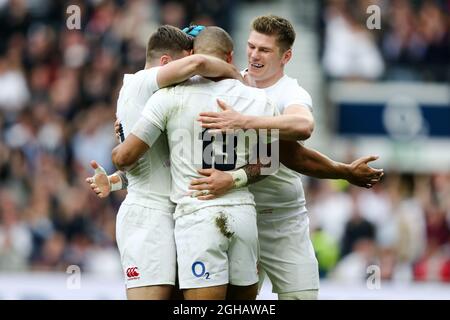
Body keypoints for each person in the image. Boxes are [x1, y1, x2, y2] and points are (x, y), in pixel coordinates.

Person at [192, 15, 384, 300]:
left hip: (284, 218)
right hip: (239, 214)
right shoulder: (229, 86)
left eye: (265, 50)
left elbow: (302, 128)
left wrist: (244, 121)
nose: (255, 55)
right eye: (252, 46)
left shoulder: (290, 92)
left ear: (287, 56)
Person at [111, 26, 280, 300]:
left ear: (192, 57)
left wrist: (121, 139)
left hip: (197, 216)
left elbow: (126, 157)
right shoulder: (259, 99)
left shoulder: (168, 97)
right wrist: (234, 178)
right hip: (243, 214)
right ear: (230, 56)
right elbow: (270, 162)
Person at [86, 25, 242, 300]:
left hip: (175, 214)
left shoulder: (161, 102)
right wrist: (237, 76)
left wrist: (115, 179)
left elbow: (158, 160)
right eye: (186, 68)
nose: (193, 77)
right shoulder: (142, 81)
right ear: (167, 63)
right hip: (147, 216)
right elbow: (199, 62)